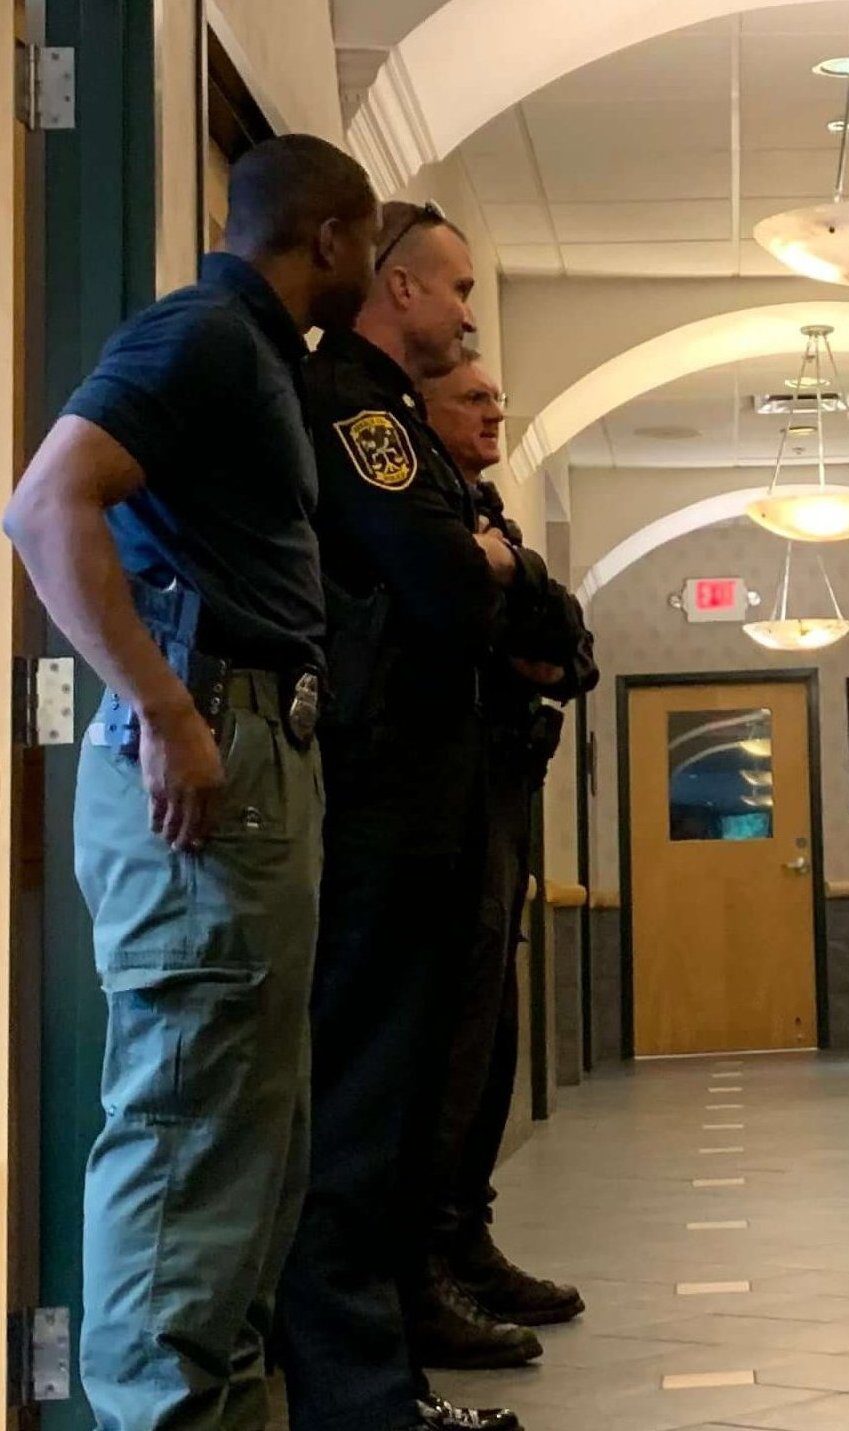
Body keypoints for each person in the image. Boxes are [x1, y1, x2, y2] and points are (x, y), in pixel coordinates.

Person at [3, 135, 378, 1429]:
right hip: (208, 752)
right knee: (184, 1127)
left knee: (245, 1141)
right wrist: (163, 710)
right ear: (328, 237)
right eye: (368, 242)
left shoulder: (260, 355)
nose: (371, 268)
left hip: (263, 751)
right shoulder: (204, 332)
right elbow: (48, 504)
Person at [276, 202, 553, 1431]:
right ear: (393, 286)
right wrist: (481, 562)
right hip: (381, 797)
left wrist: (493, 566)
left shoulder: (392, 418)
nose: (465, 312)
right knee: (362, 1102)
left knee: (396, 1101)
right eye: (452, 289)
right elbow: (447, 580)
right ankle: (361, 1394)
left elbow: (528, 606)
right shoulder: (353, 404)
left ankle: (383, 1383)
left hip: (425, 796)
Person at [415, 358, 594, 1348]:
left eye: (497, 398)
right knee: (450, 1042)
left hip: (504, 800)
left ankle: (466, 1240)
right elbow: (488, 629)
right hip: (444, 805)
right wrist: (524, 602)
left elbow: (570, 648)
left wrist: (525, 585)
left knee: (494, 1038)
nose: (495, 413)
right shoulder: (419, 514)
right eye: (474, 400)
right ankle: (428, 1266)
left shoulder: (489, 515)